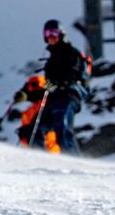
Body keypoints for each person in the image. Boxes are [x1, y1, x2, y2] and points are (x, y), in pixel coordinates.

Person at [33, 19, 89, 155]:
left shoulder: (71, 53)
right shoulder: (51, 60)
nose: (51, 36)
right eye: (48, 33)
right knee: (34, 129)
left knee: (62, 128)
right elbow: (49, 83)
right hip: (55, 98)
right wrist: (43, 89)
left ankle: (74, 162)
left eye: (54, 32)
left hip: (69, 94)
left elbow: (74, 74)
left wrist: (62, 82)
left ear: (61, 34)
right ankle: (37, 158)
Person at [11, 75, 60, 153]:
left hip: (51, 148)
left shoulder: (50, 104)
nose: (30, 89)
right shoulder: (29, 112)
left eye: (34, 86)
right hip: (37, 148)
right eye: (29, 87)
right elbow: (26, 138)